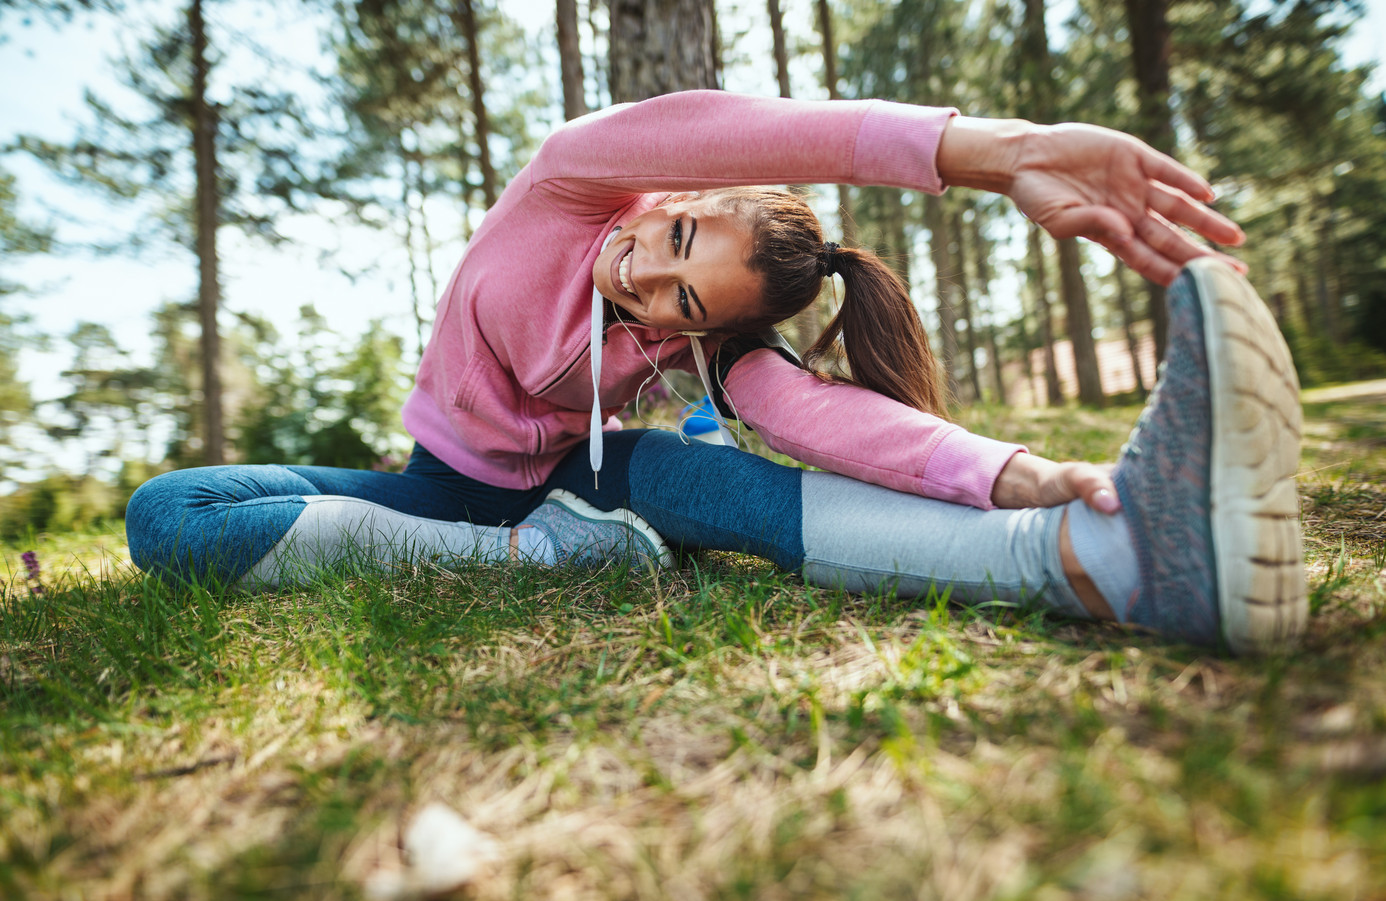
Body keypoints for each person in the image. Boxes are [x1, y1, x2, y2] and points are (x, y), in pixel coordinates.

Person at [125, 92, 1306, 655]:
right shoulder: (573, 182)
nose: (648, 281)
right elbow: (781, 130)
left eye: (685, 301)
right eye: (676, 242)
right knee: (171, 515)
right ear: (680, 200)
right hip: (448, 492)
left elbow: (821, 420)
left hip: (597, 479)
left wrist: (1010, 471)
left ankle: (1113, 560)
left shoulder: (700, 339)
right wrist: (1008, 153)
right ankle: (545, 554)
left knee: (697, 478)